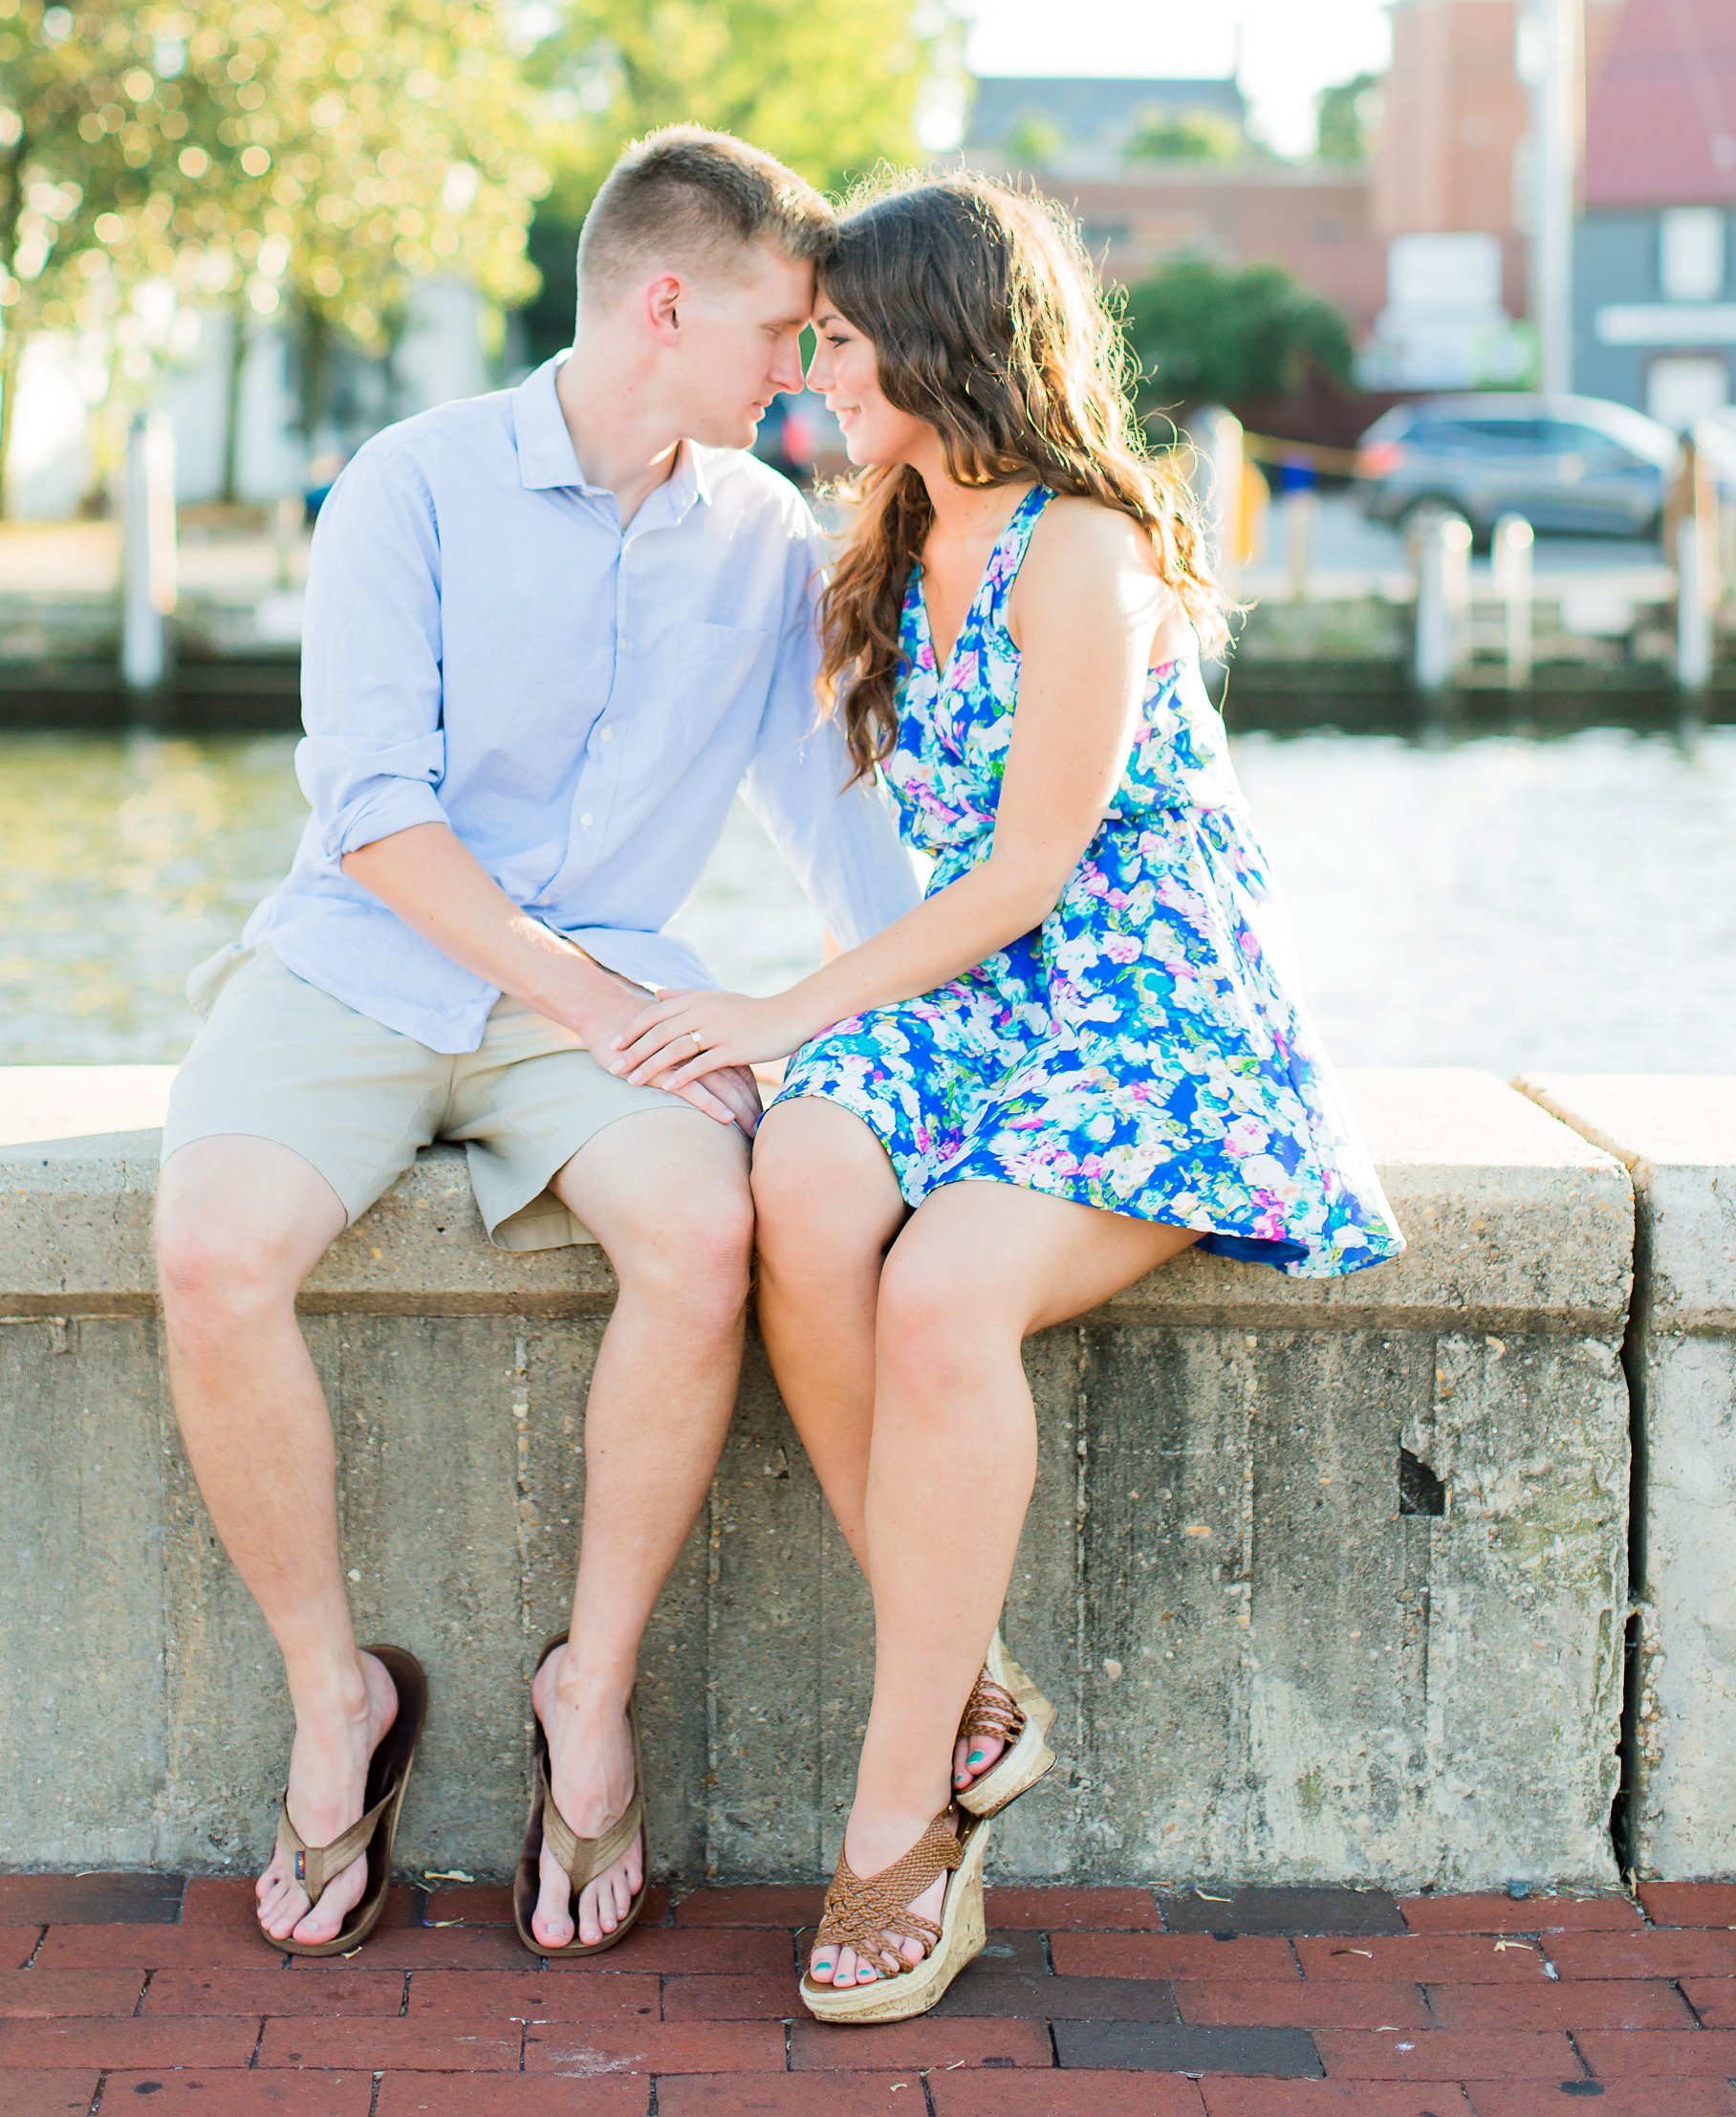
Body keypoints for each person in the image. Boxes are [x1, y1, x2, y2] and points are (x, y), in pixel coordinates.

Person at [616, 176, 1402, 2021]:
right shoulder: (886, 526)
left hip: (1146, 993)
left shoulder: (1088, 552)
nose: (817, 358)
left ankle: (904, 1817)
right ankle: (963, 1674)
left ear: (944, 340)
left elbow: (1032, 871)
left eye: (845, 331)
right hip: (986, 995)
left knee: (944, 1292)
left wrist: (779, 1008)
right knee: (799, 1184)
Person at [154, 127, 919, 1960]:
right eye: (781, 334)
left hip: (605, 992)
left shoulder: (762, 537)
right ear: (669, 301)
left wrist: (916, 1013)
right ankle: (337, 1702)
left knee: (704, 1230)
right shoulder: (405, 489)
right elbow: (376, 816)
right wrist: (598, 1004)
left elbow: (834, 825)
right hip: (367, 957)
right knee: (209, 1249)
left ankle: (593, 1691)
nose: (803, 380)